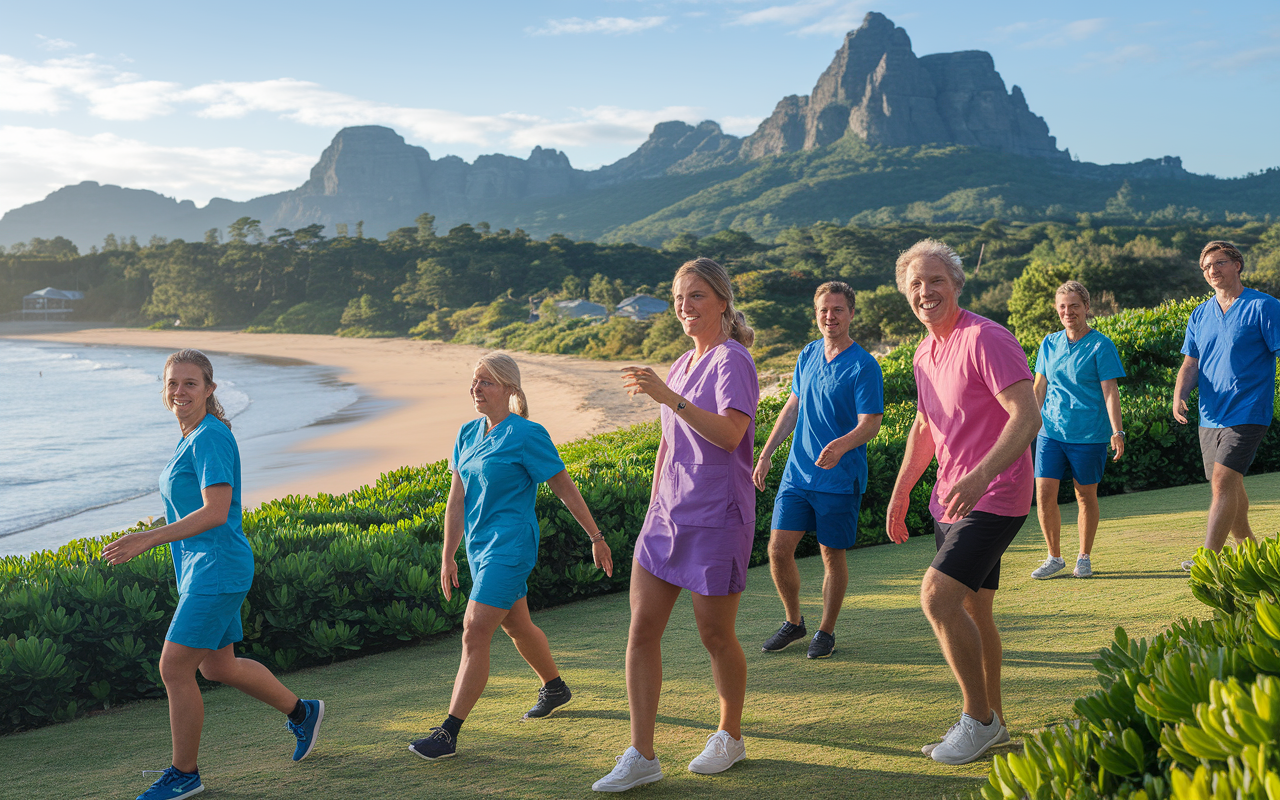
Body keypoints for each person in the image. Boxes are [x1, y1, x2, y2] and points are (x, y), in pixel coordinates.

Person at [103, 349, 323, 800]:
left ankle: (185, 774)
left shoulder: (210, 437)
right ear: (164, 392)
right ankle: (302, 713)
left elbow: (216, 512)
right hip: (203, 569)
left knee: (173, 668)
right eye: (173, 384)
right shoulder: (192, 436)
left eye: (190, 383)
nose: (180, 391)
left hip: (217, 569)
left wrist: (149, 537)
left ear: (209, 389)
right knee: (218, 666)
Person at [593, 257, 759, 792]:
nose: (685, 307)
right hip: (666, 516)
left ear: (723, 302)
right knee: (641, 632)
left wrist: (668, 395)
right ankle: (642, 753)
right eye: (679, 298)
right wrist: (651, 513)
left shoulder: (733, 361)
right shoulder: (683, 363)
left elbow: (730, 436)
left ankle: (729, 735)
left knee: (714, 634)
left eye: (697, 296)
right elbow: (669, 446)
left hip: (717, 514)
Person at [409, 353, 613, 761]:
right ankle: (555, 687)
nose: (476, 388)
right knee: (517, 625)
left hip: (512, 545)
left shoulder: (528, 434)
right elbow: (456, 500)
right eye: (474, 381)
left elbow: (563, 486)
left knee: (474, 629)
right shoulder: (467, 433)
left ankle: (448, 732)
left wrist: (596, 536)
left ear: (509, 389)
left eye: (486, 382)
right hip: (479, 549)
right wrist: (448, 555)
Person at [884, 240, 1040, 765]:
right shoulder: (923, 352)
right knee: (974, 609)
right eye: (915, 284)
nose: (925, 292)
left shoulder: (986, 338)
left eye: (935, 281)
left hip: (996, 494)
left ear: (955, 284)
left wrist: (980, 475)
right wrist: (903, 489)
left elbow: (1027, 416)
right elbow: (925, 426)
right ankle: (993, 720)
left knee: (937, 597)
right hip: (951, 499)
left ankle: (976, 720)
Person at [753, 280, 883, 658]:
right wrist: (766, 453)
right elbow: (792, 407)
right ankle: (794, 622)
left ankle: (825, 632)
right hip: (797, 475)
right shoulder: (808, 354)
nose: (830, 316)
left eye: (838, 309)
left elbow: (870, 422)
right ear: (816, 314)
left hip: (840, 478)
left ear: (851, 314)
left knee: (831, 556)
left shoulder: (863, 365)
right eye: (824, 310)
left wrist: (842, 445)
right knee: (778, 550)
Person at [1173, 240, 1280, 570]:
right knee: (1229, 486)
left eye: (1218, 263)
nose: (1211, 270)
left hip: (1249, 409)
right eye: (1206, 267)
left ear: (1237, 264)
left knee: (1221, 482)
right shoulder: (1200, 313)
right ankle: (1252, 553)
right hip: (1210, 414)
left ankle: (1209, 559)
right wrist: (1179, 395)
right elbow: (1191, 363)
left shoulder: (1264, 306)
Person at [1029, 281, 1126, 580]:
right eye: (1062, 307)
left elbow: (1110, 391)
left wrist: (1117, 432)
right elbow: (1039, 387)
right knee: (1044, 494)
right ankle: (1054, 557)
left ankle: (1083, 557)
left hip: (1089, 435)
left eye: (1074, 306)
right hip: (1050, 433)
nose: (1068, 312)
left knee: (1085, 496)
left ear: (1086, 307)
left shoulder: (1101, 345)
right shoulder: (1049, 343)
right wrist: (1026, 426)